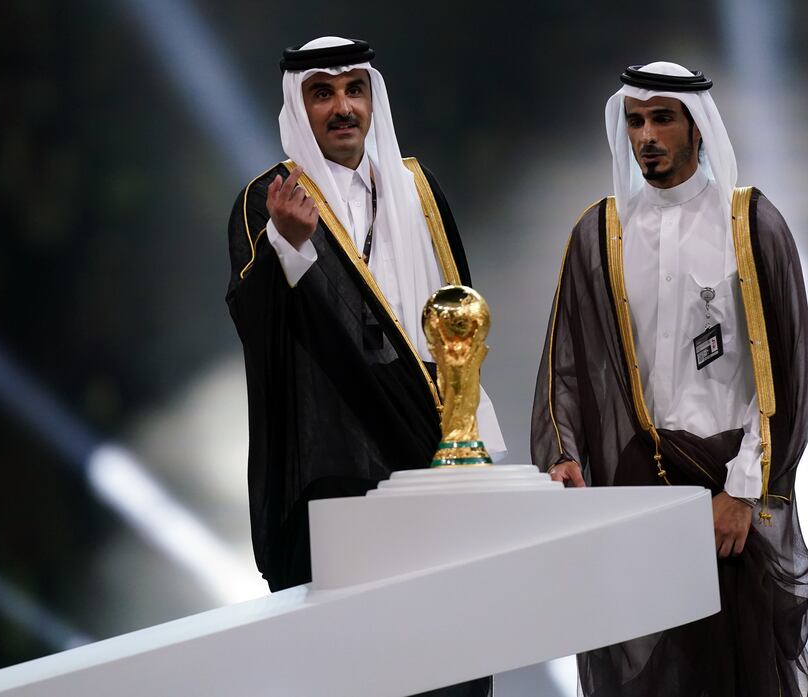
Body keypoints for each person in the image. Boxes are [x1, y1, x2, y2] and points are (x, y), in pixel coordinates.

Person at [226, 36, 501, 697]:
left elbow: (461, 323)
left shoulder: (418, 189)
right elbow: (255, 324)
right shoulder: (269, 199)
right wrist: (289, 247)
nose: (342, 108)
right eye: (323, 93)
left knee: (454, 664)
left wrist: (481, 444)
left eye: (354, 90)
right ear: (300, 105)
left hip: (434, 465)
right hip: (336, 480)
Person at [531, 62, 808, 696]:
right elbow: (565, 368)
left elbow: (786, 378)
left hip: (725, 490)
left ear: (698, 126)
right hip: (635, 489)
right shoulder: (600, 234)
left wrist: (743, 494)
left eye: (663, 118)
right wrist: (564, 456)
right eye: (635, 121)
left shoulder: (750, 225)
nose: (647, 136)